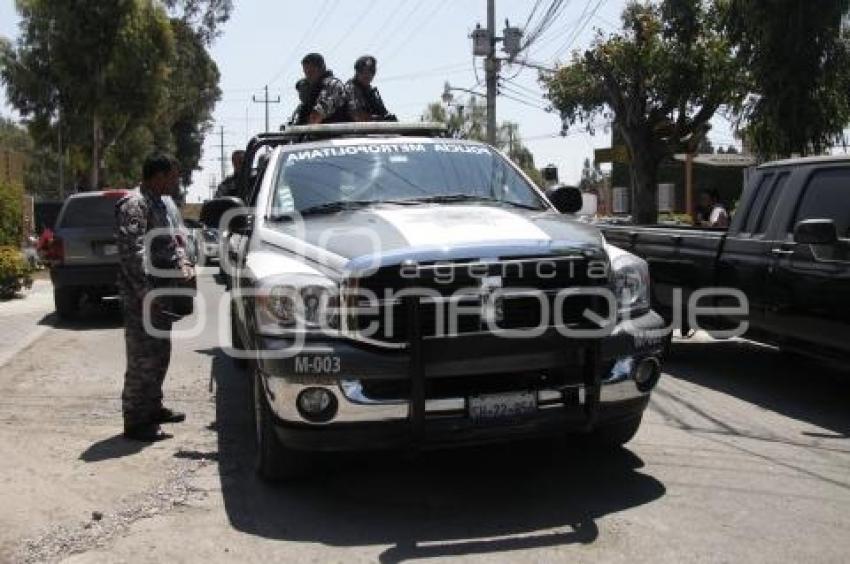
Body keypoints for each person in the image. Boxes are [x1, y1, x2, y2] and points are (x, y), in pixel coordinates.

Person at [116, 153, 194, 441]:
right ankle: (136, 422)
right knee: (142, 359)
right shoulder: (134, 205)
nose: (177, 181)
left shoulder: (159, 204)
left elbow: (171, 241)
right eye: (174, 176)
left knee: (159, 353)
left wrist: (183, 262)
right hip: (143, 297)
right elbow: (131, 254)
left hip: (162, 293)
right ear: (158, 176)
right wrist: (146, 294)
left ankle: (153, 407)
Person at [300, 52, 349, 124]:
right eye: (306, 72)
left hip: (331, 133)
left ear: (322, 69)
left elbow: (317, 115)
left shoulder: (332, 85)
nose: (308, 76)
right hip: (315, 132)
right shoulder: (312, 89)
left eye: (311, 72)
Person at [345, 55, 396, 122]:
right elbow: (357, 116)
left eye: (372, 71)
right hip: (353, 130)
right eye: (364, 71)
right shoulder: (350, 89)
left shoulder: (371, 91)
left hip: (372, 129)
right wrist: (379, 119)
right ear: (357, 72)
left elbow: (383, 112)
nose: (368, 75)